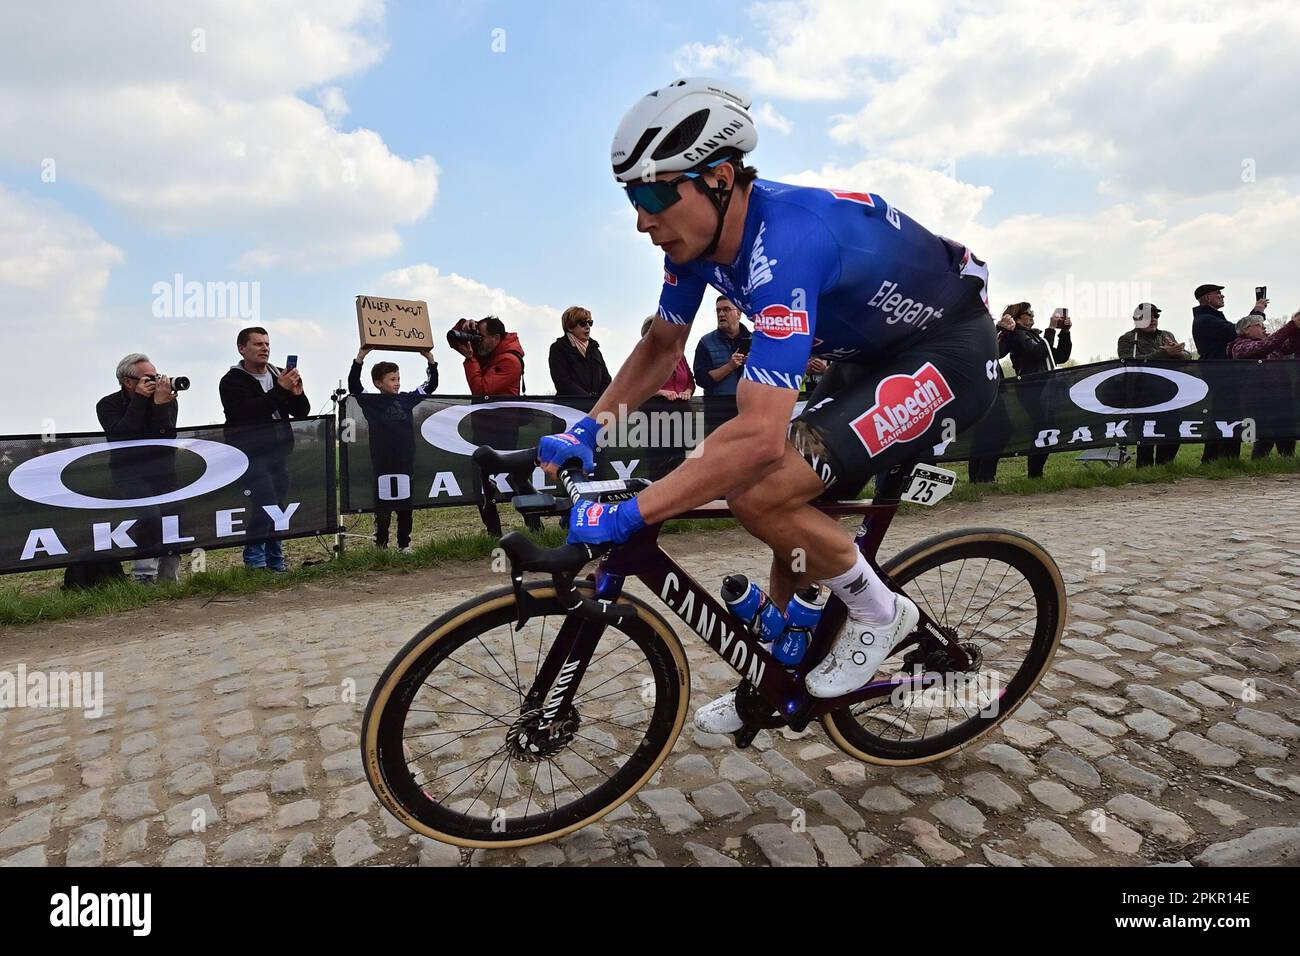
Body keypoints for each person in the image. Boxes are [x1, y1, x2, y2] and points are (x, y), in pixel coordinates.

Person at [537, 77, 997, 733]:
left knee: (762, 487)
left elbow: (755, 436)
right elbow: (662, 346)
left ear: (719, 177)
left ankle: (878, 613)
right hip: (870, 356)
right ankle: (776, 677)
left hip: (948, 352)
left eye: (654, 193)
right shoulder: (697, 247)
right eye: (631, 198)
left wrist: (630, 514)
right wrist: (589, 429)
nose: (642, 218)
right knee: (785, 497)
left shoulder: (786, 245)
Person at [219, 327, 311, 571]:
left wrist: (297, 393)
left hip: (278, 451)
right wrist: (280, 390)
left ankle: (276, 561)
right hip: (250, 453)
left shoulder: (279, 374)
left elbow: (301, 411)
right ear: (242, 348)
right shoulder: (232, 381)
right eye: (258, 344)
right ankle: (255, 562)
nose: (265, 348)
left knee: (278, 506)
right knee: (265, 503)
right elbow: (249, 412)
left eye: (267, 344)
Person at [94, 353, 181, 584]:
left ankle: (169, 579)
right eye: (149, 378)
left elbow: (165, 436)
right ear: (129, 382)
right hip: (129, 473)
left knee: (172, 520)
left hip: (164, 471)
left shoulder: (165, 400)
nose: (157, 382)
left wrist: (161, 406)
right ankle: (145, 576)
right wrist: (141, 401)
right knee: (150, 516)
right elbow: (123, 433)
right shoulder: (107, 405)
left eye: (157, 376)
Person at [348, 346, 438, 552]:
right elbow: (354, 385)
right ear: (379, 383)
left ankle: (404, 544)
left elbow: (431, 385)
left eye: (398, 378)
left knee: (405, 506)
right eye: (392, 379)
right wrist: (360, 357)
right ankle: (381, 545)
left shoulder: (406, 399)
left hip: (405, 462)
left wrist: (430, 361)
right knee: (384, 507)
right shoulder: (371, 402)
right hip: (382, 463)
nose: (397, 383)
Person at [1192, 283, 1266, 462]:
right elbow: (1239, 330)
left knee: (1227, 415)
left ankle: (1220, 459)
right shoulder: (1206, 320)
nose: (1222, 296)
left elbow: (1239, 329)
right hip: (1221, 375)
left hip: (1224, 374)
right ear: (1207, 297)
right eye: (1218, 293)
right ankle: (1218, 458)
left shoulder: (1211, 318)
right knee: (1226, 415)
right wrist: (1257, 312)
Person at [997, 303, 1071, 478]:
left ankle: (1036, 474)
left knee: (1048, 429)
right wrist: (1051, 328)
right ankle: (1034, 474)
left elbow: (1060, 356)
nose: (1032, 316)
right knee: (1042, 429)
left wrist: (1065, 332)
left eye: (1033, 313)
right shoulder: (1017, 335)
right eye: (1028, 313)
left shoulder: (1036, 336)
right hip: (1031, 388)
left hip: (1046, 388)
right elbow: (1036, 353)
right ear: (1016, 318)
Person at [1117, 303, 1187, 467]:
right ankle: (1144, 470)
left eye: (1156, 316)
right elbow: (1128, 361)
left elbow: (1185, 357)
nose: (1153, 320)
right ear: (1137, 319)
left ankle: (1165, 467)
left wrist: (1178, 352)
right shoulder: (1127, 339)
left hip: (1170, 393)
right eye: (1148, 317)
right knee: (1146, 436)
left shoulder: (1166, 335)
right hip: (1142, 394)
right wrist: (1164, 353)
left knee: (1172, 432)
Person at [1227, 312, 1300, 459]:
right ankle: (1258, 464)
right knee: (1266, 436)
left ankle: (1287, 462)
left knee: (1286, 434)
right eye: (1259, 326)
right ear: (1246, 330)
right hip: (1258, 400)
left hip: (1282, 397)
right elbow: (1263, 347)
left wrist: (1297, 329)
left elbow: (1292, 345)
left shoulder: (1273, 345)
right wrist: (1291, 325)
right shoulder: (1239, 346)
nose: (1264, 329)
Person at [452, 315, 525, 396]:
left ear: (496, 338)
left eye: (481, 337)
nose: (478, 341)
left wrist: (470, 359)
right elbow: (453, 339)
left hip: (502, 408)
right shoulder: (489, 351)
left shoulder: (510, 361)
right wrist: (464, 325)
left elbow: (481, 391)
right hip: (488, 407)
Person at [549, 306, 612, 398]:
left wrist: (599, 401)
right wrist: (586, 400)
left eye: (590, 323)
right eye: (583, 323)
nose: (588, 327)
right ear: (570, 327)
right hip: (569, 408)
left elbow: (606, 381)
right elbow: (563, 382)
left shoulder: (595, 350)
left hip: (596, 407)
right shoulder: (558, 348)